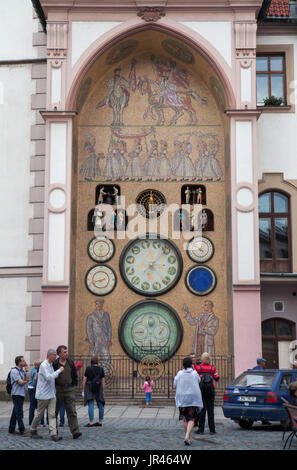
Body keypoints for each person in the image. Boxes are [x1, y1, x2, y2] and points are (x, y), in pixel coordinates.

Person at [30, 349, 64, 441]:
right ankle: (33, 429)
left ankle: (53, 434)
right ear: (49, 355)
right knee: (39, 414)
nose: (55, 357)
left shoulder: (51, 365)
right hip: (43, 394)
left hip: (51, 394)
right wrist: (59, 371)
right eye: (54, 355)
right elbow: (49, 377)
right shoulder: (43, 365)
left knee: (52, 414)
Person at [53, 345, 82, 439]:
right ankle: (54, 431)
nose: (66, 353)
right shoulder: (55, 363)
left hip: (69, 389)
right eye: (64, 352)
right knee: (54, 411)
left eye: (67, 351)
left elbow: (74, 374)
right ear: (59, 354)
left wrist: (74, 384)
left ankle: (75, 431)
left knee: (72, 411)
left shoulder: (70, 362)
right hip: (58, 389)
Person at [174, 356, 203, 446]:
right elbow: (199, 380)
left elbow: (175, 383)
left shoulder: (180, 373)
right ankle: (187, 436)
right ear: (191, 364)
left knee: (185, 418)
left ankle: (188, 437)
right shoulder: (194, 373)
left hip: (182, 398)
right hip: (192, 399)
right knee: (192, 418)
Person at [195, 352, 219, 435]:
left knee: (202, 410)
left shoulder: (198, 368)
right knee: (210, 410)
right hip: (210, 390)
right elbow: (217, 378)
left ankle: (201, 429)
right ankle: (212, 430)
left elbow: (196, 378)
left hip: (201, 390)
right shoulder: (212, 368)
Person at [8, 355, 30, 436]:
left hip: (21, 393)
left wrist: (27, 370)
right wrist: (26, 381)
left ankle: (11, 429)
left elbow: (28, 378)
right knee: (19, 412)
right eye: (23, 361)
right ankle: (22, 430)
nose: (25, 362)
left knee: (15, 412)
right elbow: (20, 382)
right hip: (16, 393)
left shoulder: (22, 370)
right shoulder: (14, 371)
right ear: (19, 362)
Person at [82, 356, 105, 427]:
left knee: (91, 404)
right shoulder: (101, 369)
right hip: (98, 387)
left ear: (91, 361)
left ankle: (91, 422)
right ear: (97, 361)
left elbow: (84, 379)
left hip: (89, 387)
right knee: (100, 404)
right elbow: (103, 381)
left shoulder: (88, 368)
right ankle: (100, 421)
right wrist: (103, 390)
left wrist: (83, 389)